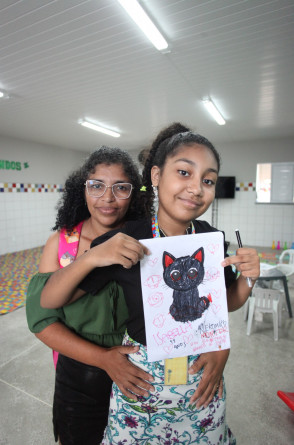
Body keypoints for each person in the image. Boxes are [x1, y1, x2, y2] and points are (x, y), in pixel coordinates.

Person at [41, 123, 260, 444]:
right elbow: (49, 299)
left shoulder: (211, 237)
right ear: (156, 176)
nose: (197, 188)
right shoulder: (124, 239)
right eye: (184, 173)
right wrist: (91, 257)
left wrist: (249, 278)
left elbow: (228, 301)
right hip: (142, 383)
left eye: (208, 180)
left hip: (201, 381)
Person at [26, 146, 155, 445]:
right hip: (79, 375)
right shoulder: (62, 244)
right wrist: (103, 359)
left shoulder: (148, 242)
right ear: (81, 189)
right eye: (96, 186)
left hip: (141, 372)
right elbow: (42, 320)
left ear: (134, 193)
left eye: (121, 188)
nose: (107, 198)